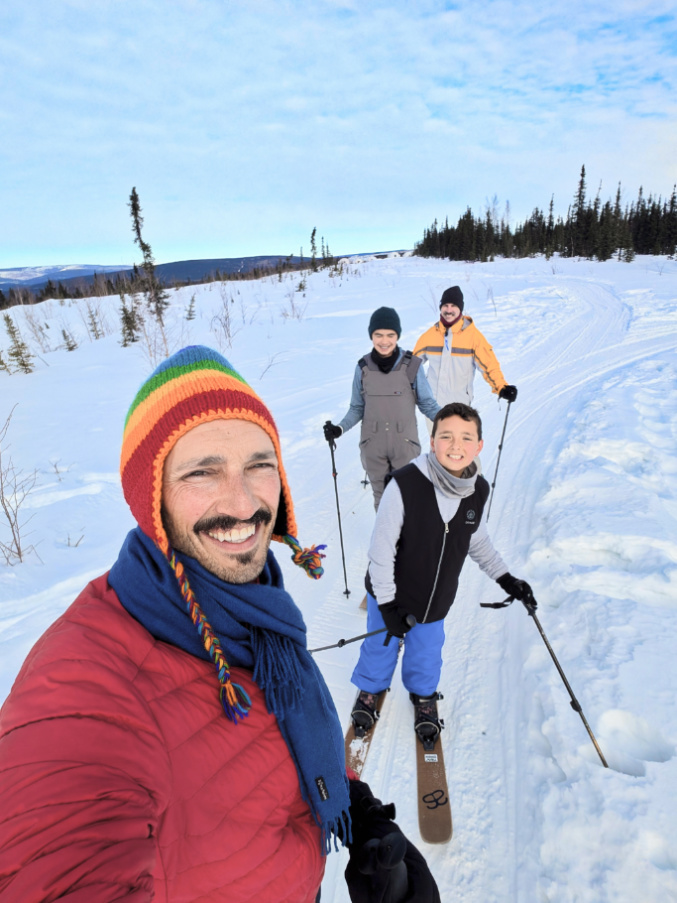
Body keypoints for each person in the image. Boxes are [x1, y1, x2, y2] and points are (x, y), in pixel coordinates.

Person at [0, 346, 439, 903]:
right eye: (202, 471)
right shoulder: (87, 682)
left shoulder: (257, 612)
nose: (243, 502)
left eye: (259, 464)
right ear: (151, 497)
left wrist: (360, 812)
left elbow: (278, 739)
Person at [350, 401, 533, 744]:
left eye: (466, 437)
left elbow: (476, 540)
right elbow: (381, 549)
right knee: (380, 646)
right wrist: (388, 606)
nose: (456, 445)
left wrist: (507, 578)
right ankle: (370, 690)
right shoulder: (404, 485)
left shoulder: (477, 491)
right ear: (432, 441)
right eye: (446, 436)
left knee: (427, 652)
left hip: (434, 601)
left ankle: (422, 695)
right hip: (389, 595)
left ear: (479, 445)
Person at [323, 306, 440, 508]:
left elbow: (427, 404)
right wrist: (339, 428)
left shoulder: (412, 365)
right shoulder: (363, 367)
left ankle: (409, 538)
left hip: (405, 445)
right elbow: (357, 408)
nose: (384, 341)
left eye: (390, 335)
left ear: (397, 335)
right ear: (371, 336)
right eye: (378, 335)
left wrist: (451, 418)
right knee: (382, 498)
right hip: (373, 446)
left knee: (408, 497)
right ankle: (386, 539)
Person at [413, 286, 518, 427]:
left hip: (459, 408)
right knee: (436, 447)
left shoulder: (473, 337)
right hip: (433, 409)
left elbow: (489, 366)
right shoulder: (430, 335)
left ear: (460, 309)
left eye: (453, 306)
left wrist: (501, 387)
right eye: (445, 305)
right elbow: (412, 366)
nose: (449, 310)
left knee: (455, 447)